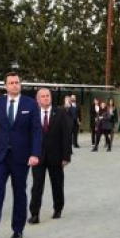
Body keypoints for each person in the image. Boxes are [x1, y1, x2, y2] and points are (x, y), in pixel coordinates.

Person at [0, 72, 42, 238]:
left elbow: (36, 131)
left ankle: (18, 229)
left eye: (17, 82)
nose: (15, 85)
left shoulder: (30, 104)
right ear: (5, 86)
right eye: (11, 83)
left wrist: (35, 153)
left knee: (19, 192)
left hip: (21, 157)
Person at [29, 88, 72, 224]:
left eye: (48, 96)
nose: (46, 98)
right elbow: (29, 135)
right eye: (42, 96)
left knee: (57, 184)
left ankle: (58, 209)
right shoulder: (33, 114)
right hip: (38, 157)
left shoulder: (60, 113)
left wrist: (66, 156)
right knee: (37, 186)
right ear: (37, 99)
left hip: (56, 157)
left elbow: (67, 135)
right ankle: (34, 214)